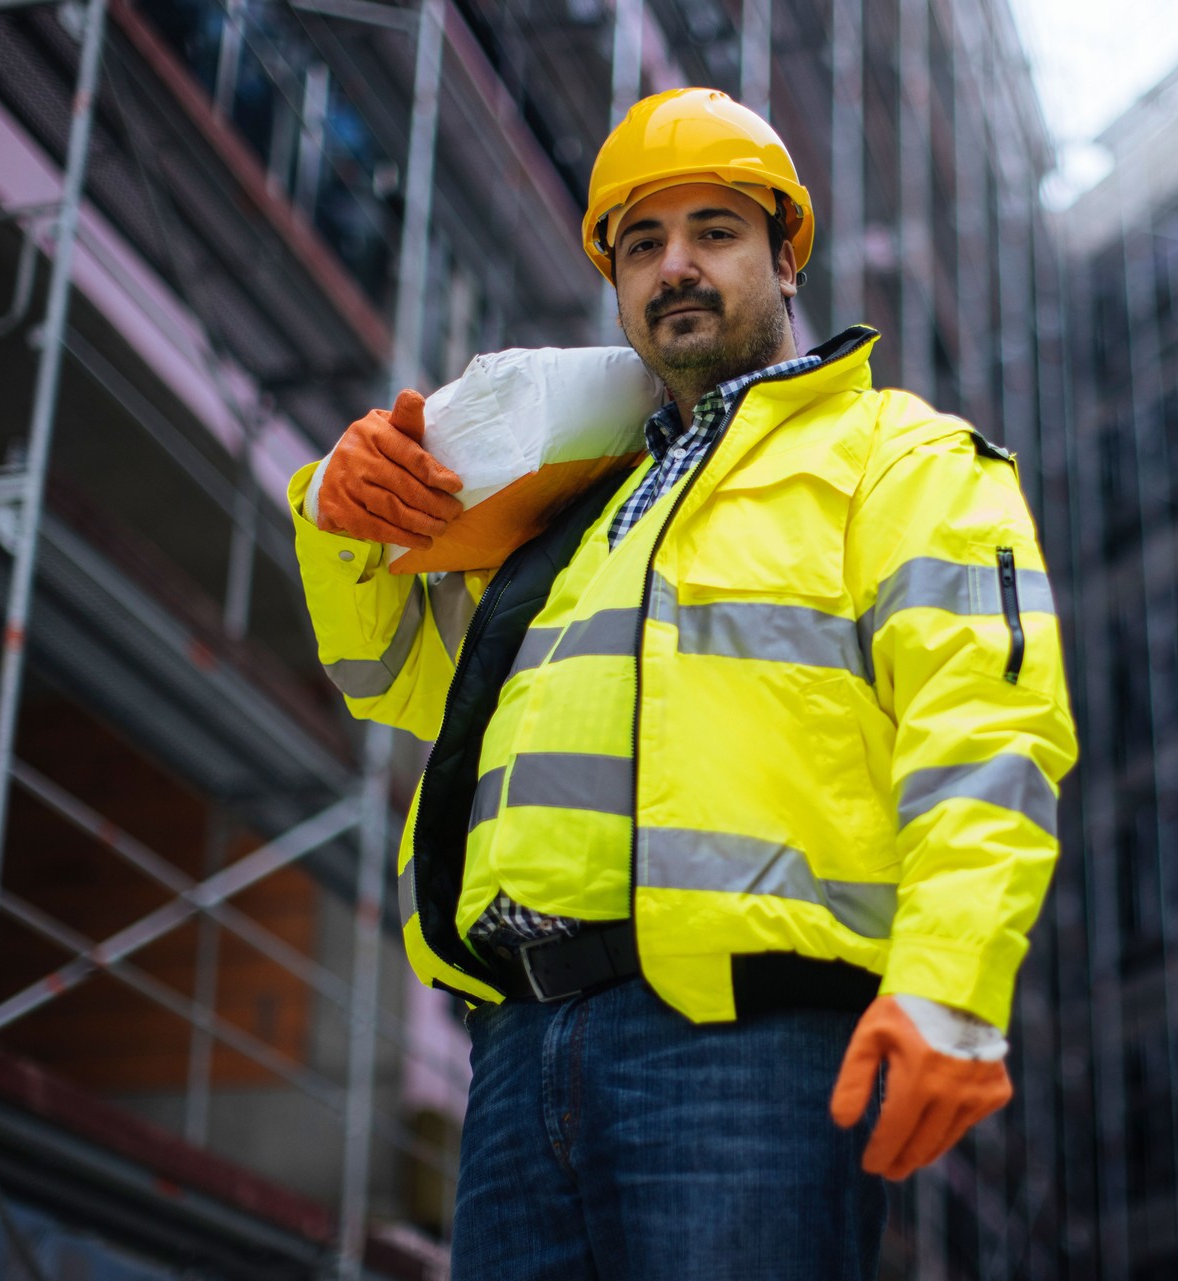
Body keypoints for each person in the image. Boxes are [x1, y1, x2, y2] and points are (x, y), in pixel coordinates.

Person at [291, 87, 1076, 1280]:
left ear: (784, 255)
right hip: (516, 1058)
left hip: (751, 1052)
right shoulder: (573, 511)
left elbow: (991, 729)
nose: (676, 268)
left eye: (714, 231)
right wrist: (338, 517)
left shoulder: (899, 461)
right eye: (643, 244)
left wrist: (950, 985)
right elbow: (394, 678)